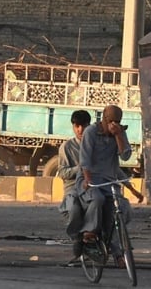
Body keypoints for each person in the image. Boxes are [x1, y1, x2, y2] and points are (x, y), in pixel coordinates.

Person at [75, 104, 144, 268]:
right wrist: (87, 180)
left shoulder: (120, 131)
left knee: (118, 212)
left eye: (117, 121)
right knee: (97, 199)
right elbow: (85, 159)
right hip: (89, 179)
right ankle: (90, 232)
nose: (113, 124)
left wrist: (119, 136)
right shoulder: (91, 132)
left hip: (109, 181)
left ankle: (119, 252)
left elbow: (125, 156)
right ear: (104, 119)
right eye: (111, 121)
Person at [57, 109, 91, 261]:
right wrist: (80, 169)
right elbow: (62, 173)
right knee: (74, 208)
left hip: (92, 185)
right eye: (77, 126)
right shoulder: (67, 147)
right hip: (73, 187)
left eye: (83, 126)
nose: (80, 130)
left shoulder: (94, 143)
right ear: (73, 126)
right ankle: (77, 238)